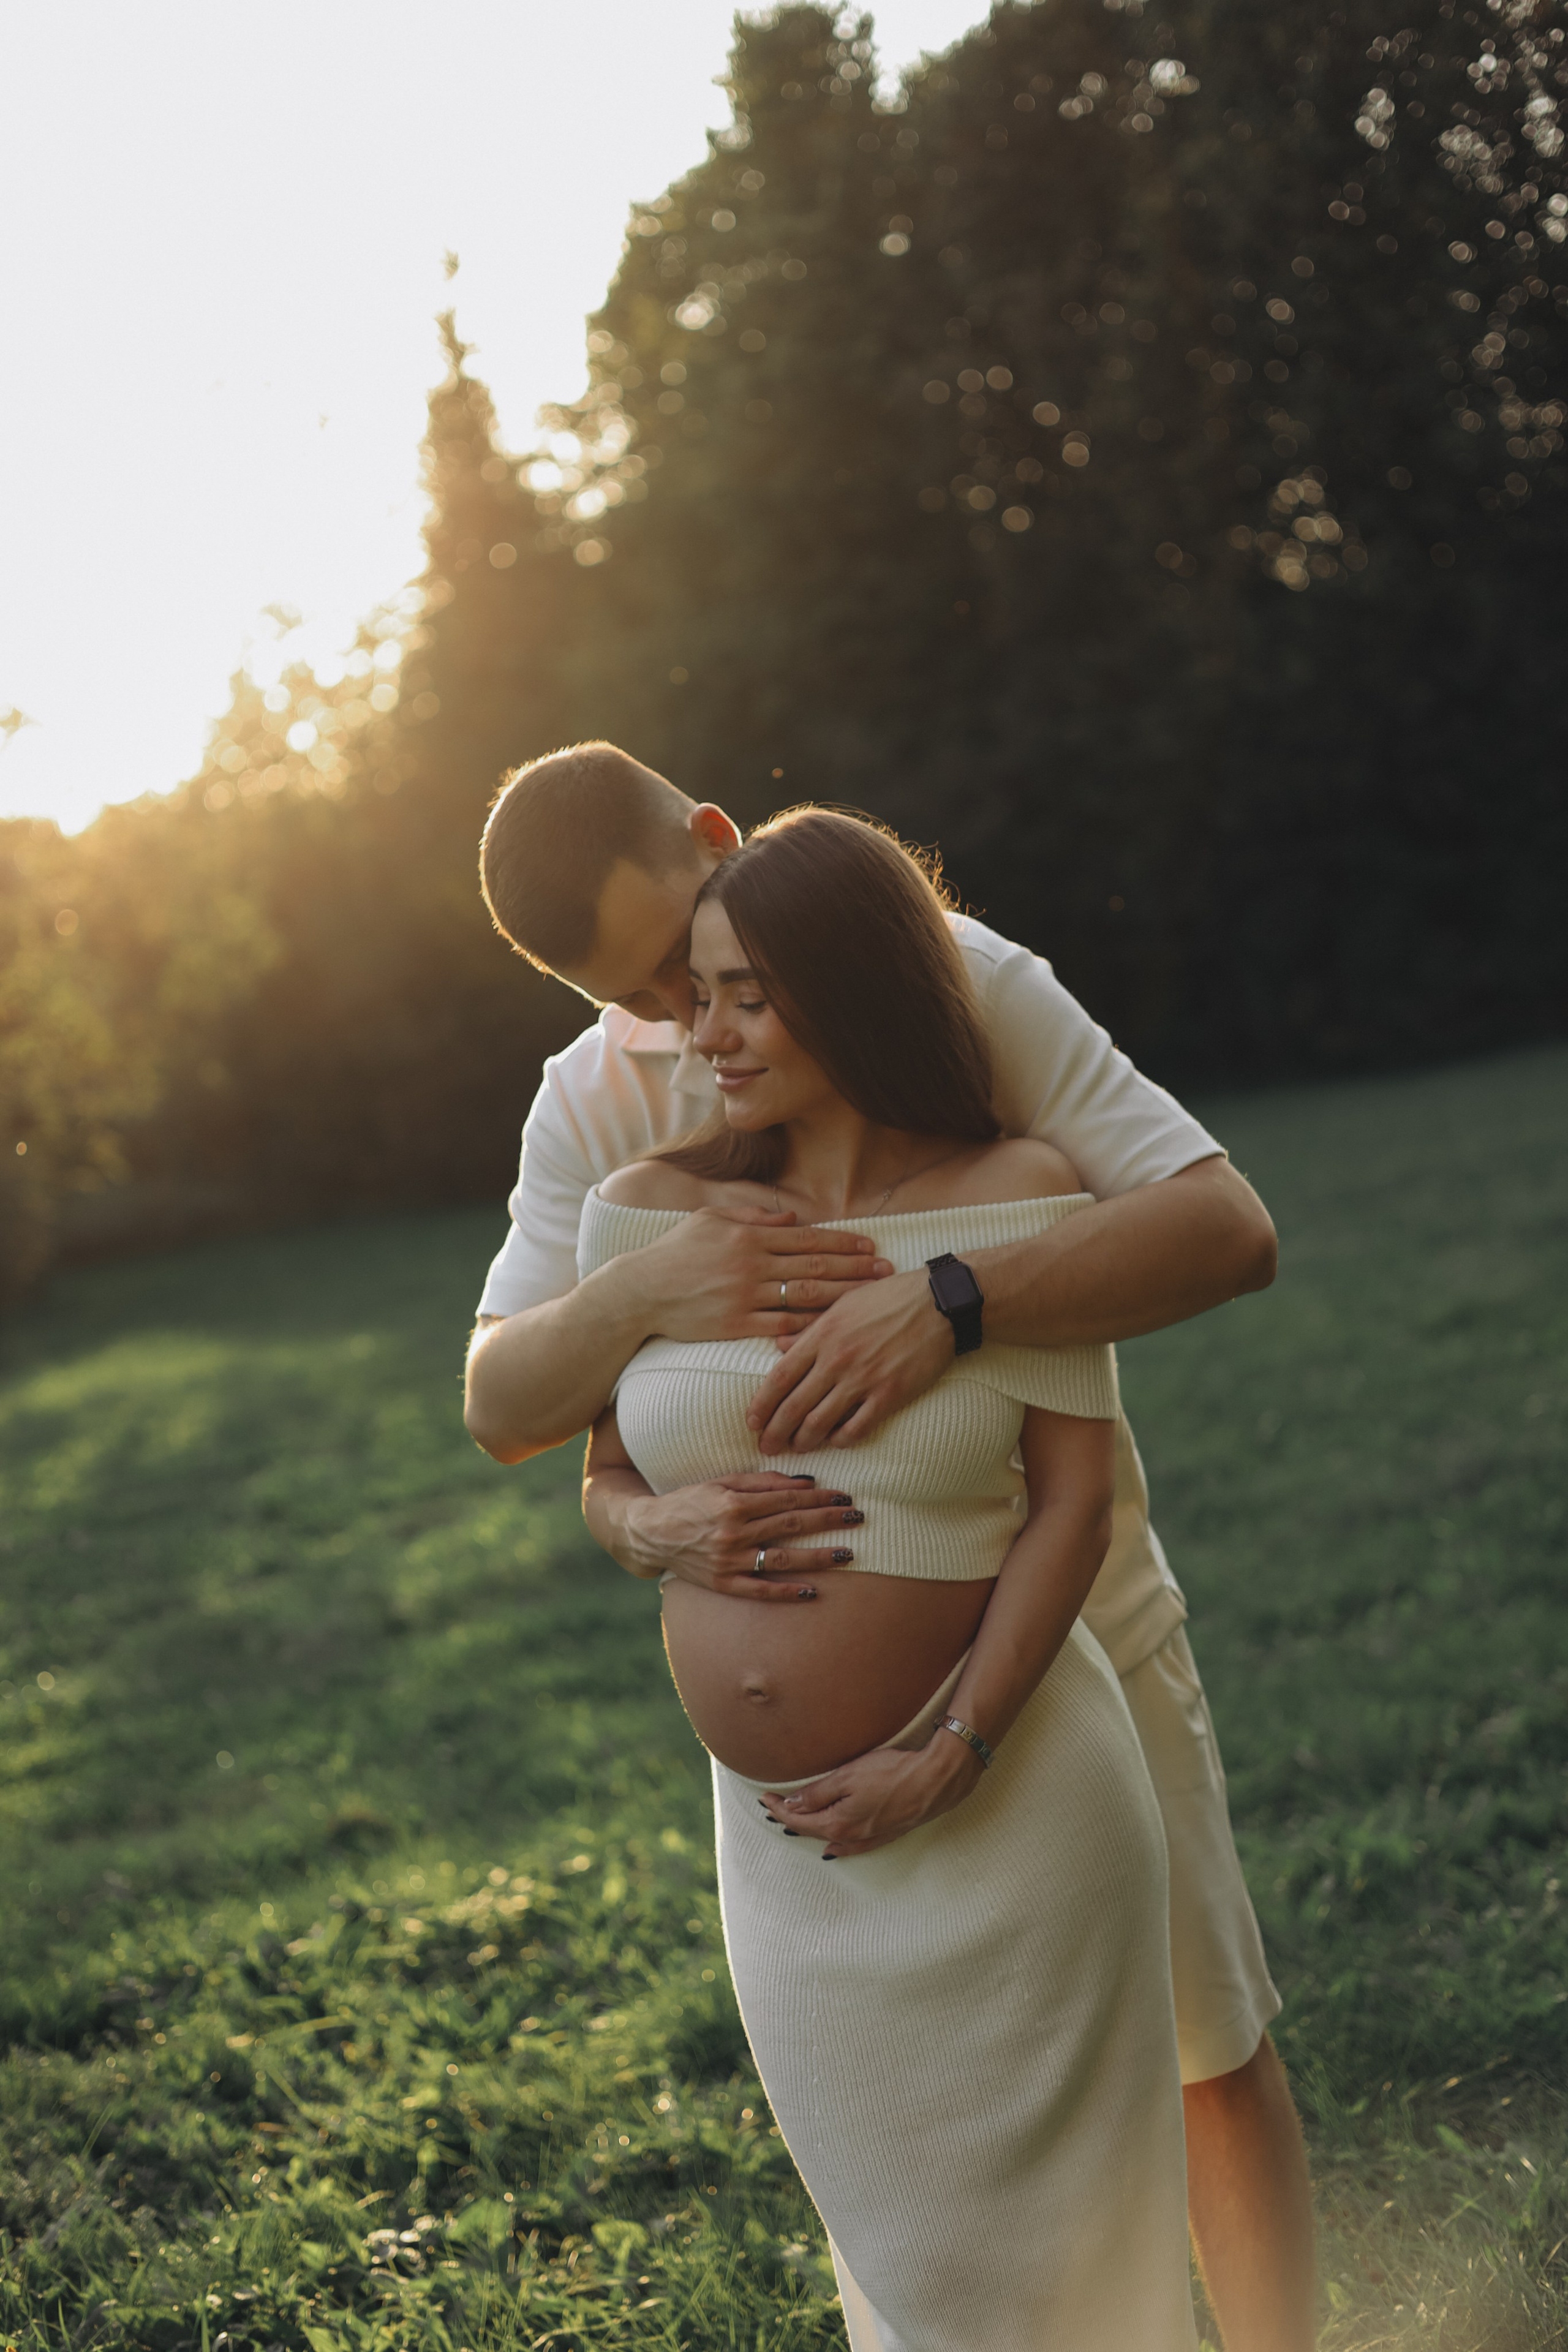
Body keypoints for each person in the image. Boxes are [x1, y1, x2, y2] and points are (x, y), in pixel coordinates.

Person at [466, 743, 1316, 2352]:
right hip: (798, 1790)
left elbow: (1228, 1231)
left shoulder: (959, 978)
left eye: (688, 961)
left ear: (716, 843)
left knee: (1202, 2035)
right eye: (636, 994)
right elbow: (512, 1401)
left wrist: (954, 1302)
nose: (675, 1016)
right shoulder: (601, 1095)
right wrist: (647, 1398)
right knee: (922, 2188)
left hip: (1068, 1621)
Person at [581, 805, 1196, 2348]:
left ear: (848, 988)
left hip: (1012, 1809)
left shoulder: (1021, 1187)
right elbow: (601, 1475)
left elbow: (1069, 1509)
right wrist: (641, 1527)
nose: (697, 1034)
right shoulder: (651, 1214)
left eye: (741, 994)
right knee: (918, 2287)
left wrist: (951, 1751)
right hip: (793, 1865)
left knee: (1084, 2283)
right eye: (695, 992)